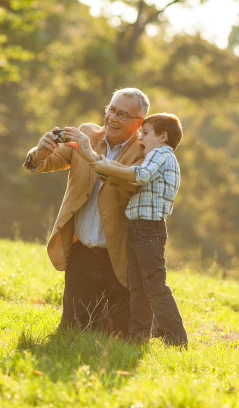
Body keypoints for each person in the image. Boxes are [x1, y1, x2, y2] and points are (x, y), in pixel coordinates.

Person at [23, 88, 149, 335]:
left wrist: (91, 156)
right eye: (111, 110)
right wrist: (40, 152)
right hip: (80, 256)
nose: (113, 118)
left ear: (140, 123)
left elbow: (129, 186)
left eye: (123, 114)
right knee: (71, 332)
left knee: (119, 336)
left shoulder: (145, 151)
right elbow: (46, 162)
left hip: (118, 259)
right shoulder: (86, 133)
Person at [85, 113, 188, 347]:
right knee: (138, 285)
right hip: (139, 228)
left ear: (162, 137)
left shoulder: (160, 154)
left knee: (154, 284)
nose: (140, 138)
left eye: (145, 133)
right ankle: (139, 334)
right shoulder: (158, 155)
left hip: (148, 229)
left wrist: (106, 166)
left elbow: (140, 176)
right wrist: (107, 167)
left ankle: (176, 337)